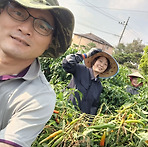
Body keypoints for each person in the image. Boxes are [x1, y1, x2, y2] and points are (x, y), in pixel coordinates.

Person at [0, 0, 74, 146]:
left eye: (42, 26)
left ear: (50, 42)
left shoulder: (39, 97)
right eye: (18, 13)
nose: (26, 29)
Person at [62, 48, 119, 115]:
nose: (101, 65)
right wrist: (86, 55)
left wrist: (89, 122)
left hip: (79, 120)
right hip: (66, 112)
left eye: (105, 64)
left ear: (106, 69)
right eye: (100, 61)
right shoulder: (81, 70)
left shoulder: (99, 86)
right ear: (94, 62)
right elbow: (67, 64)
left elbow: (93, 107)